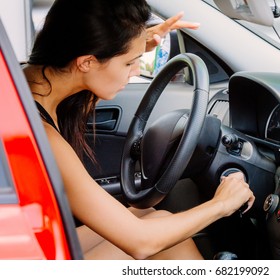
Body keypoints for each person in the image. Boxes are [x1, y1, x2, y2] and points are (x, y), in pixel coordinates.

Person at [23, 0, 255, 260]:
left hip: (28, 247)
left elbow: (92, 68)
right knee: (169, 245)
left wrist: (132, 43)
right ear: (86, 62)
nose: (135, 72)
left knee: (149, 215)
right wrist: (221, 204)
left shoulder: (30, 85)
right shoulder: (41, 135)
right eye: (128, 63)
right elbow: (141, 243)